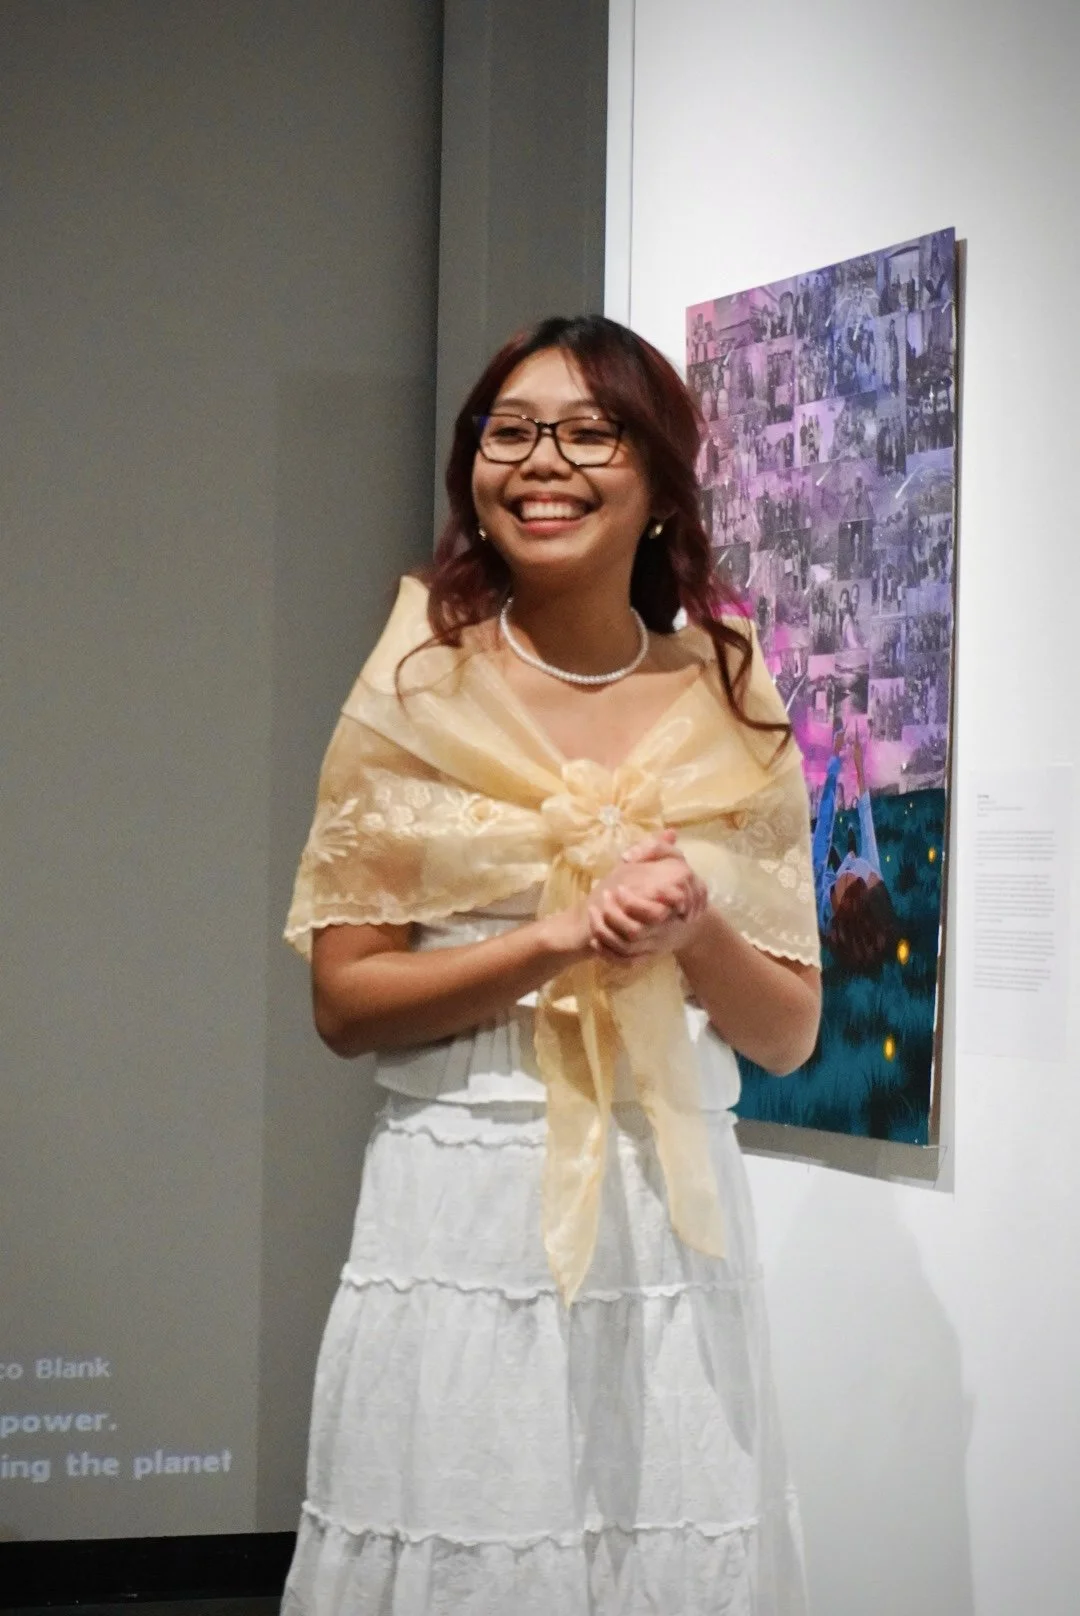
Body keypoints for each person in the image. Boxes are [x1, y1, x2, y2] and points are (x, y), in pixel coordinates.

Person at [280, 314, 822, 1616]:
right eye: (510, 432)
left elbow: (791, 1032)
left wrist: (694, 932)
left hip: (670, 1214)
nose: (543, 463)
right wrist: (549, 937)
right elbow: (346, 1002)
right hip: (463, 1198)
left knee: (666, 1556)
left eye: (590, 433)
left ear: (658, 482)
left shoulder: (731, 695)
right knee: (467, 1541)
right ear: (475, 469)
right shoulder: (417, 691)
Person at [812, 727, 899, 973]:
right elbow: (866, 817)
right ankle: (848, 843)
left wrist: (834, 759)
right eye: (873, 875)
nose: (868, 868)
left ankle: (843, 849)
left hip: (814, 868)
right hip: (835, 881)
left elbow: (824, 828)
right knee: (848, 854)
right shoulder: (871, 878)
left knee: (828, 853)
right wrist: (859, 766)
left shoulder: (817, 898)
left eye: (856, 874)